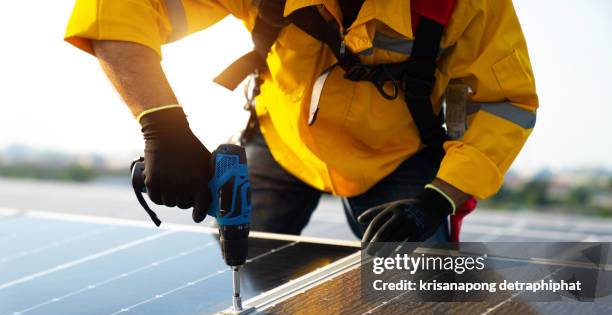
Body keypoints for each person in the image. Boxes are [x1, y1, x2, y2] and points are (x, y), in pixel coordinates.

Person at [64, 0, 538, 251]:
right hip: (280, 141)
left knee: (426, 283)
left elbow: (505, 104)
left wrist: (440, 198)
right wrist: (162, 127)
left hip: (396, 159)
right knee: (245, 272)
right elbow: (116, 10)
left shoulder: (465, 2)